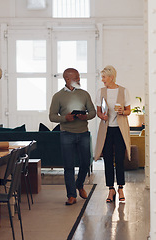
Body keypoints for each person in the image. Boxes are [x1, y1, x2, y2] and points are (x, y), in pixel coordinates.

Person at [49, 68, 96, 205]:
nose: (79, 79)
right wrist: (65, 118)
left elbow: (92, 112)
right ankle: (71, 195)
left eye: (79, 77)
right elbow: (52, 116)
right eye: (76, 77)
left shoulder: (84, 94)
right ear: (67, 79)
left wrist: (85, 116)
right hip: (66, 134)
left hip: (83, 133)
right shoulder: (57, 96)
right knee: (68, 166)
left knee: (86, 162)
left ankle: (79, 184)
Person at [94, 65, 131, 203]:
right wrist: (101, 116)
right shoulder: (101, 92)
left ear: (111, 77)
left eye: (104, 77)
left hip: (120, 129)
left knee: (120, 159)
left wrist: (122, 111)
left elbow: (129, 111)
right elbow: (98, 111)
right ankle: (111, 189)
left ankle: (121, 188)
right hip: (107, 129)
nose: (102, 80)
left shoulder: (123, 91)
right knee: (108, 159)